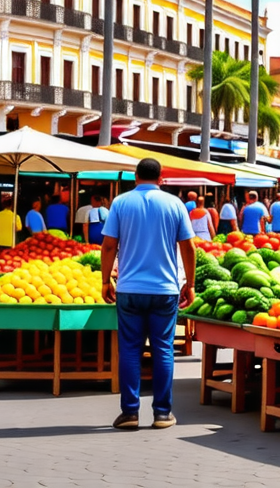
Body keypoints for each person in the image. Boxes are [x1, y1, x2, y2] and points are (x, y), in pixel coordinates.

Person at [101, 158, 196, 429]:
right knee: (163, 349)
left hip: (129, 288)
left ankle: (130, 412)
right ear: (161, 178)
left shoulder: (120, 203)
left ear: (135, 176)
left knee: (129, 350)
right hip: (165, 289)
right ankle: (162, 414)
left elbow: (109, 246)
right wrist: (190, 283)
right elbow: (188, 247)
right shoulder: (175, 204)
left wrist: (105, 280)